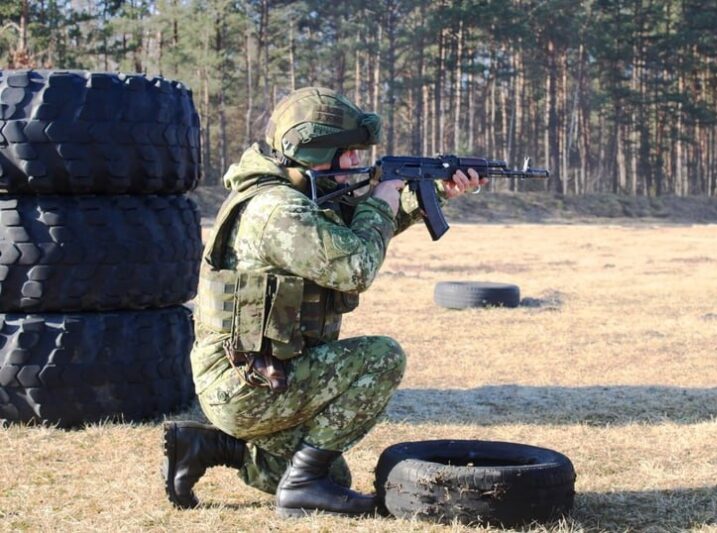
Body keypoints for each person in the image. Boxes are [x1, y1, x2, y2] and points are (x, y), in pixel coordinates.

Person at [162, 87, 485, 517]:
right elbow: (355, 265)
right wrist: (383, 201)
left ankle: (205, 446)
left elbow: (351, 234)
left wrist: (432, 194)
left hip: (258, 372)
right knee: (382, 357)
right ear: (313, 151)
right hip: (250, 384)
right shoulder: (277, 211)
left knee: (336, 481)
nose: (356, 163)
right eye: (347, 153)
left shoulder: (294, 196)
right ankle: (301, 486)